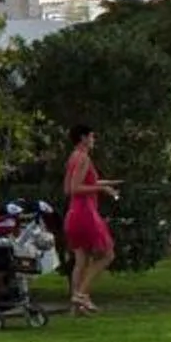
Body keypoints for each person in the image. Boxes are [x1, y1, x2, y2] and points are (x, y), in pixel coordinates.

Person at [58, 124, 117, 316]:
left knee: (81, 260)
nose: (94, 140)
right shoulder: (83, 158)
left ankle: (77, 308)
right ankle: (81, 294)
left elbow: (70, 187)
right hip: (85, 212)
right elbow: (75, 188)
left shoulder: (73, 157)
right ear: (83, 138)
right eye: (92, 136)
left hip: (74, 212)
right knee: (107, 254)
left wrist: (107, 184)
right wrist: (101, 189)